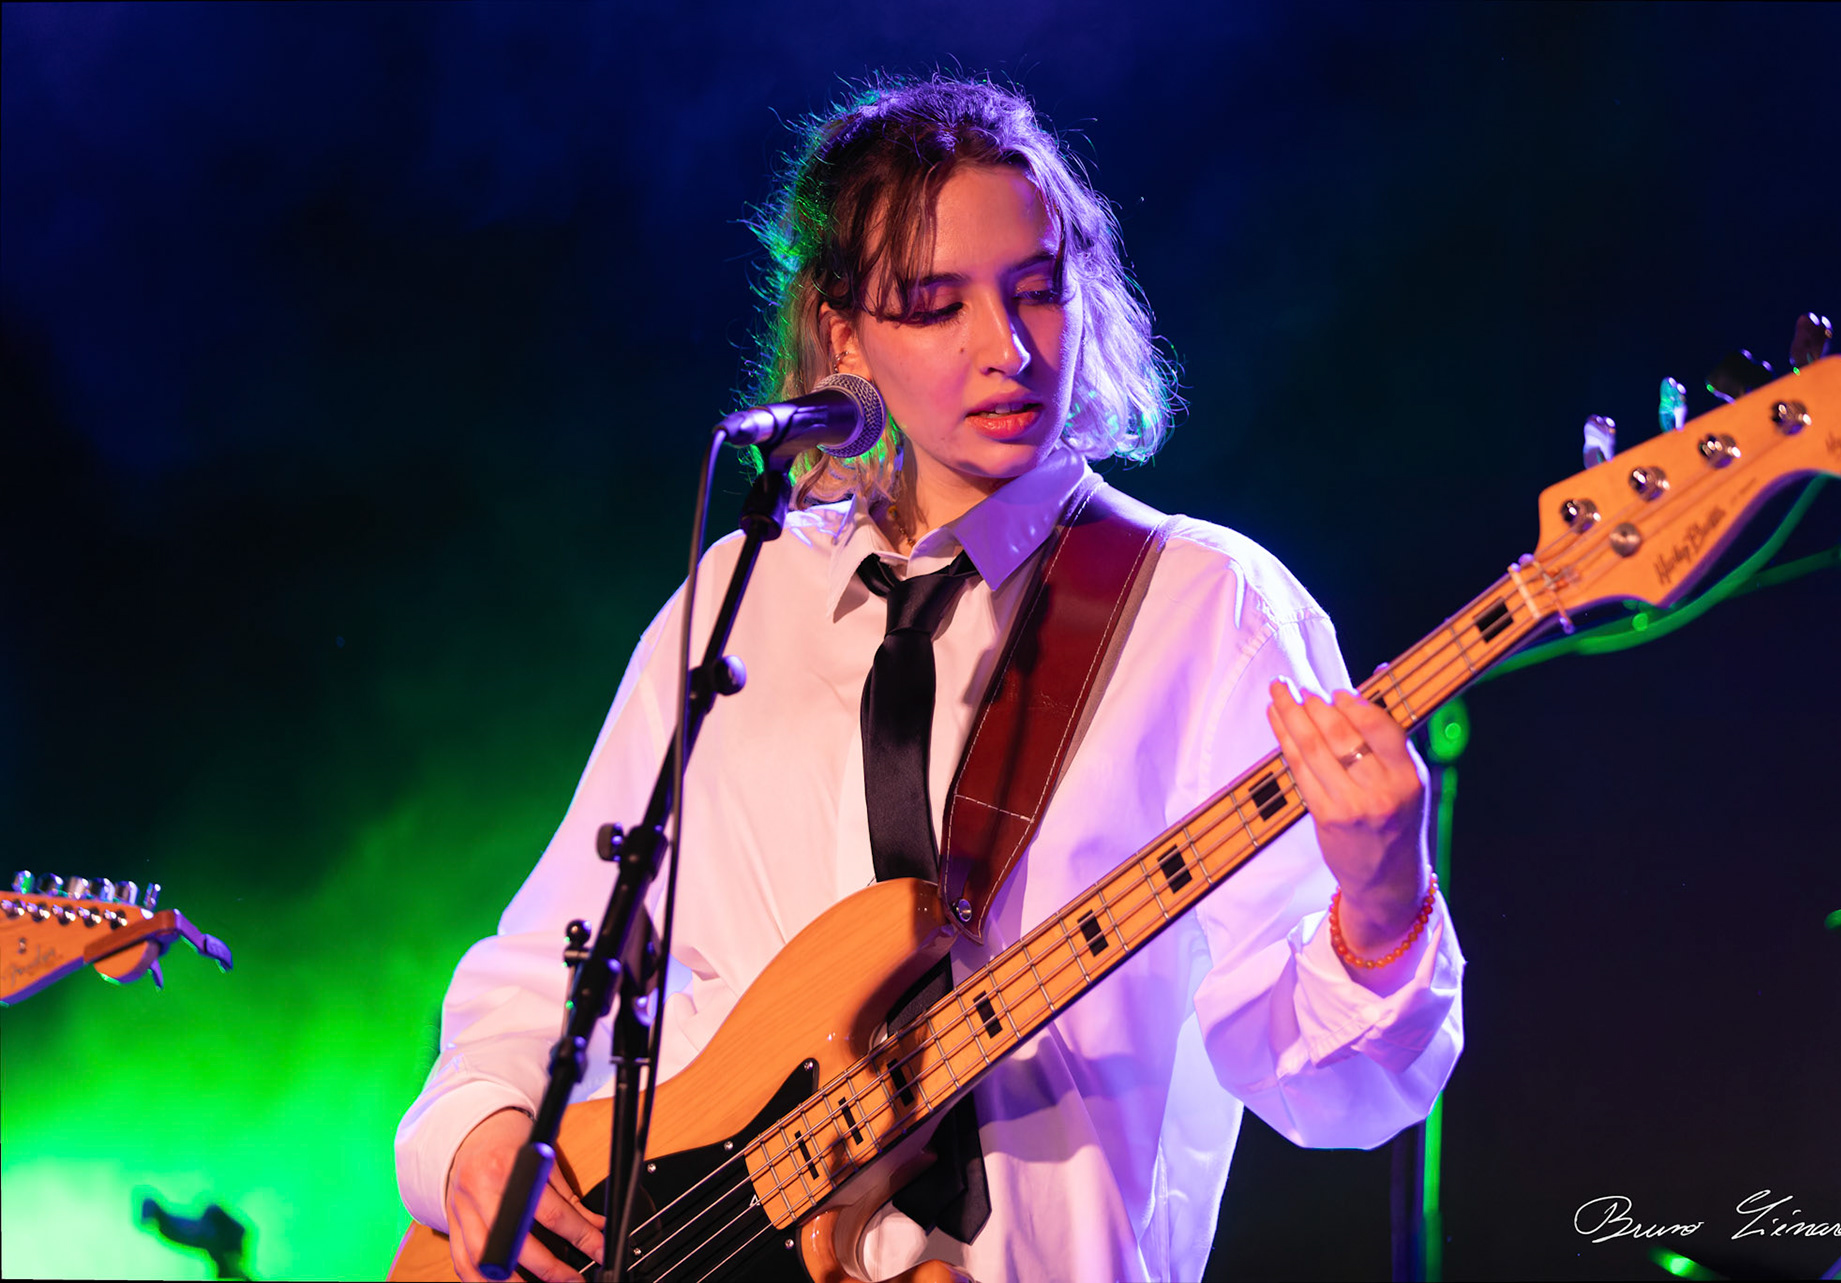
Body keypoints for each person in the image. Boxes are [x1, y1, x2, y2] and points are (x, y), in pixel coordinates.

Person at [395, 75, 1464, 1283]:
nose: (1006, 348)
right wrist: (481, 1127)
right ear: (845, 334)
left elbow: (1338, 1095)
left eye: (1038, 290)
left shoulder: (1204, 606)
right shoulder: (745, 596)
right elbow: (564, 955)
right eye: (934, 303)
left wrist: (1380, 908)